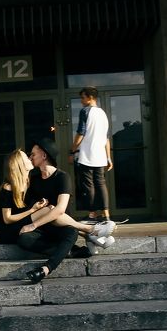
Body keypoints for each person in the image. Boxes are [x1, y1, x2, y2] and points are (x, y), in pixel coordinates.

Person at [15, 139, 114, 284]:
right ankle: (83, 239)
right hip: (43, 229)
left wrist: (33, 225)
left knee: (70, 231)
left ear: (44, 156)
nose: (30, 157)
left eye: (33, 154)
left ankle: (46, 269)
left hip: (60, 228)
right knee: (23, 239)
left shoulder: (62, 177)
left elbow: (60, 209)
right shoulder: (34, 180)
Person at [70, 87, 116, 234]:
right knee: (101, 184)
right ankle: (106, 215)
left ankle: (92, 214)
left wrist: (72, 150)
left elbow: (81, 133)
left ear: (90, 97)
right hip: (100, 156)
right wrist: (108, 157)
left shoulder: (85, 111)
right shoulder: (103, 114)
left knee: (88, 185)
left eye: (83, 98)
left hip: (87, 155)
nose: (81, 101)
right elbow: (106, 138)